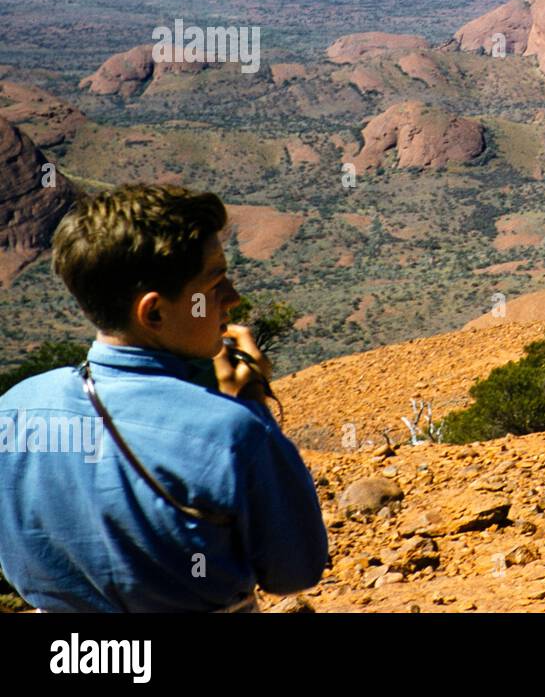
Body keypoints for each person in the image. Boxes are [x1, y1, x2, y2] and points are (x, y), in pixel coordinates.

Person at [0, 183, 329, 612]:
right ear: (153, 312)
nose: (232, 297)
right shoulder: (232, 433)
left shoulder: (14, 409)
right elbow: (295, 572)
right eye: (213, 285)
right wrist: (251, 403)